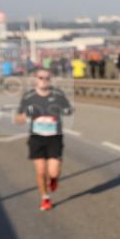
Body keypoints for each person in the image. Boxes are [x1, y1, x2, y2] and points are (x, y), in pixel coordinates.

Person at [15, 68, 73, 211]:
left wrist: (64, 110)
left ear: (50, 79)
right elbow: (18, 118)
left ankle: (54, 179)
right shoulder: (29, 96)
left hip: (54, 137)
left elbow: (69, 110)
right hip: (36, 137)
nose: (44, 80)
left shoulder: (57, 94)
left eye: (47, 78)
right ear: (35, 79)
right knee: (41, 172)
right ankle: (45, 199)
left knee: (53, 172)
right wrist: (27, 114)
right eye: (41, 78)